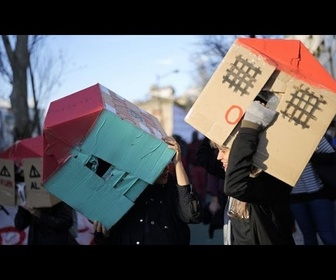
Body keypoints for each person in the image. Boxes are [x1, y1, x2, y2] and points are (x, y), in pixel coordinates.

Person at [196, 101, 295, 245]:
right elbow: (203, 158)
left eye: (223, 151)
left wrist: (250, 126)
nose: (218, 157)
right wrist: (217, 126)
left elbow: (234, 187)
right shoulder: (234, 173)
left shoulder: (268, 181)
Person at [93, 136, 203, 245]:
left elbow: (191, 214)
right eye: (159, 165)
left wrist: (178, 163)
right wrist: (103, 233)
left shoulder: (172, 187)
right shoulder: (124, 190)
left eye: (166, 163)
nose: (166, 169)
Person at [14, 166, 79, 245]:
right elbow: (19, 225)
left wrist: (39, 214)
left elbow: (66, 221)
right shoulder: (27, 192)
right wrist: (24, 206)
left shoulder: (56, 192)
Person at [290, 136, 336, 245]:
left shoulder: (312, 135)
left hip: (318, 193)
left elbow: (333, 156)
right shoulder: (275, 142)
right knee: (308, 236)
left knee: (327, 235)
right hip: (294, 196)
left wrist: (310, 156)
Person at [186, 130, 208, 205]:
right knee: (199, 184)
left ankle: (201, 198)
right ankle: (201, 198)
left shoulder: (192, 144)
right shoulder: (195, 144)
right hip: (197, 167)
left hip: (198, 167)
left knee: (200, 184)